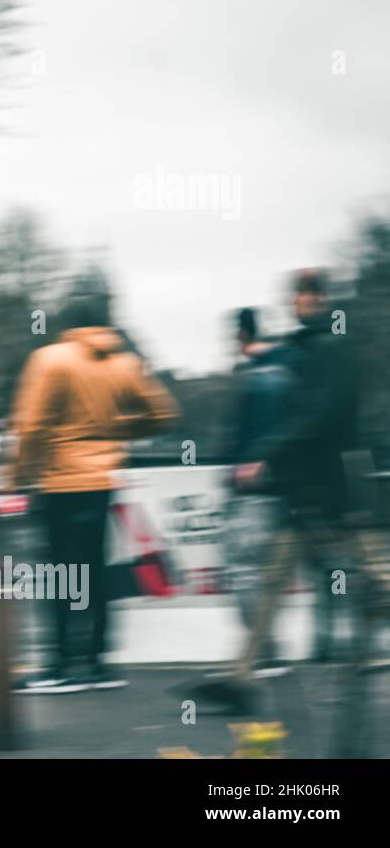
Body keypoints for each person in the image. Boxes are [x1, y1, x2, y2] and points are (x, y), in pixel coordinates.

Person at [200, 269, 368, 714]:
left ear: (320, 298)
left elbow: (318, 417)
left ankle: (247, 674)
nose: (300, 302)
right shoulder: (311, 347)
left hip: (326, 488)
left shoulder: (328, 349)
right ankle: (242, 675)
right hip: (314, 488)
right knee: (282, 579)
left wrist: (267, 453)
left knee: (356, 578)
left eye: (307, 295)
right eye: (297, 295)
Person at [8, 289, 178, 693]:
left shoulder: (50, 360)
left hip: (58, 482)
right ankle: (99, 662)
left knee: (59, 573)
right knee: (95, 570)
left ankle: (62, 663)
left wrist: (19, 475)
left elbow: (31, 426)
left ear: (67, 324)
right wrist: (118, 433)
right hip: (102, 481)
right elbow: (163, 413)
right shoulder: (124, 363)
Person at [220, 307, 294, 672]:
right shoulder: (285, 369)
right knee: (266, 573)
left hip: (254, 488)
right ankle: (269, 650)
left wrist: (245, 467)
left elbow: (248, 436)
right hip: (281, 487)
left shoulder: (258, 376)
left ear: (241, 335)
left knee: (244, 569)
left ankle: (264, 652)